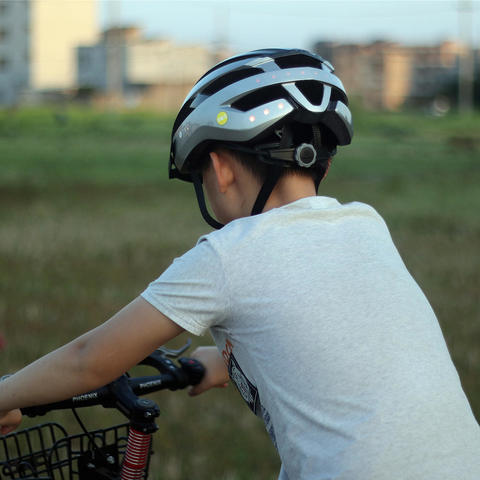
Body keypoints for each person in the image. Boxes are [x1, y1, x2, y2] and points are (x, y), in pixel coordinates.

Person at [1, 48, 479, 479]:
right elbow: (337, 333)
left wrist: (5, 395)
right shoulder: (367, 225)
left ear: (221, 168)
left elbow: (88, 361)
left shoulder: (227, 255)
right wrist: (222, 360)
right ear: (324, 165)